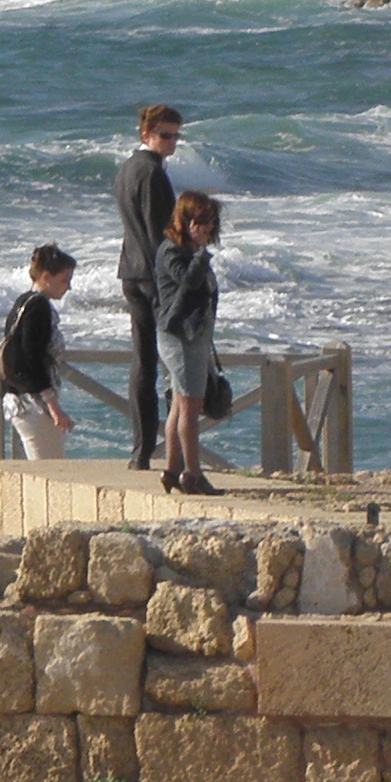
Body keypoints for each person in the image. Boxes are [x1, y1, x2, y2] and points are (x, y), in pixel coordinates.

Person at [115, 104, 183, 465]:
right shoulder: (154, 173)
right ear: (146, 135)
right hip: (156, 277)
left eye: (175, 135)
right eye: (165, 135)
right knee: (175, 360)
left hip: (130, 270)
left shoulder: (127, 168)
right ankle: (177, 451)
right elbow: (162, 234)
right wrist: (176, 279)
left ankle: (140, 451)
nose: (171, 142)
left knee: (142, 362)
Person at [155, 191, 227, 496]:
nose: (207, 228)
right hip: (181, 338)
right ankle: (193, 474)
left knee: (179, 407)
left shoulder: (183, 250)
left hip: (191, 337)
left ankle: (172, 470)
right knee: (189, 407)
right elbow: (188, 284)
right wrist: (200, 253)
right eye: (200, 221)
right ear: (185, 220)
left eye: (210, 222)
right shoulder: (173, 252)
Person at [0, 245, 76, 461]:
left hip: (17, 398)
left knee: (42, 466)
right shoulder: (39, 306)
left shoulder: (23, 301)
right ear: (46, 276)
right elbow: (33, 357)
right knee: (49, 469)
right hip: (32, 402)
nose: (68, 287)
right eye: (64, 280)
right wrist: (54, 407)